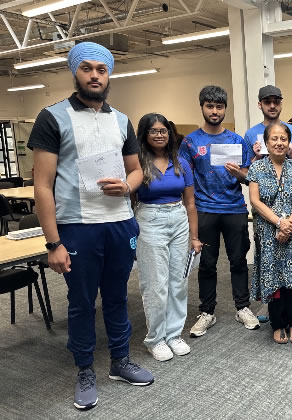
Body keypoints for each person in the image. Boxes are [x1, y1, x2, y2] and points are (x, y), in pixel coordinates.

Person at [27, 42, 153, 411]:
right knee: (82, 303)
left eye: (102, 69)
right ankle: (84, 369)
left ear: (109, 74)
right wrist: (53, 243)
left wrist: (128, 186)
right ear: (75, 72)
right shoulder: (52, 118)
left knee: (116, 298)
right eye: (88, 69)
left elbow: (136, 170)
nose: (95, 75)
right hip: (78, 227)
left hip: (118, 224)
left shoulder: (121, 120)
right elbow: (42, 185)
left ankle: (119, 361)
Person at [179, 85, 260, 337]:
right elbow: (185, 179)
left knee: (238, 260)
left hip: (234, 208)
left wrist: (240, 173)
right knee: (207, 263)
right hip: (204, 210)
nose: (215, 111)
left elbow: (250, 177)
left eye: (219, 107)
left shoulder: (237, 140)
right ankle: (207, 312)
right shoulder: (190, 142)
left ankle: (242, 307)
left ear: (225, 109)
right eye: (210, 106)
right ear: (202, 106)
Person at [135, 113, 202, 361]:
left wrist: (194, 237)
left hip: (179, 219)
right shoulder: (137, 163)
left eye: (163, 130)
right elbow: (128, 200)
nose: (160, 135)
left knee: (178, 282)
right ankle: (156, 338)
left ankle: (173, 334)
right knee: (156, 284)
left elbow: (191, 203)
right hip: (149, 219)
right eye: (154, 131)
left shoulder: (181, 162)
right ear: (144, 134)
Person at [246, 122, 292, 344]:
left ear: (289, 143)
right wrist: (279, 222)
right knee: (274, 277)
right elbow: (255, 201)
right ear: (266, 142)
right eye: (274, 139)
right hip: (269, 233)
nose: (279, 143)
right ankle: (278, 323)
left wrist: (290, 224)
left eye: (283, 139)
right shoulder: (256, 168)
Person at [244, 85, 292, 170]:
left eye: (276, 102)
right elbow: (246, 172)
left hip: (291, 182)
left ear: (281, 104)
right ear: (260, 105)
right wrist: (257, 157)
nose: (272, 106)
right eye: (267, 102)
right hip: (262, 182)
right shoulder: (250, 134)